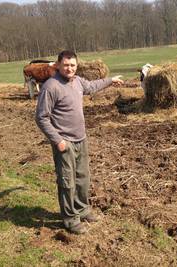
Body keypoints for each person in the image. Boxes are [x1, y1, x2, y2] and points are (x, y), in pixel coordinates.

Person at [35, 50, 124, 234]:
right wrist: (57, 140)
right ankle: (70, 219)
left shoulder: (77, 81)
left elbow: (91, 86)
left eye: (73, 65)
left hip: (81, 139)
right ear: (58, 65)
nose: (69, 68)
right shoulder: (51, 87)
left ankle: (82, 209)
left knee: (83, 178)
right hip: (64, 142)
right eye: (66, 65)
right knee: (67, 181)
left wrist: (110, 80)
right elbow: (41, 117)